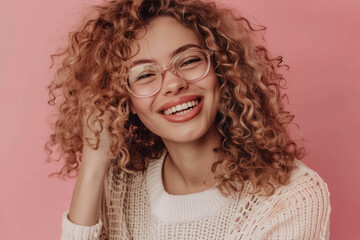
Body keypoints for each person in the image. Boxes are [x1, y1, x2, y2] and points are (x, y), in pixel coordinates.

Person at [45, 0, 331, 239]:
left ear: (222, 68)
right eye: (144, 75)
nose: (173, 84)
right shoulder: (121, 185)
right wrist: (94, 163)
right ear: (124, 100)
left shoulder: (293, 198)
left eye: (189, 60)